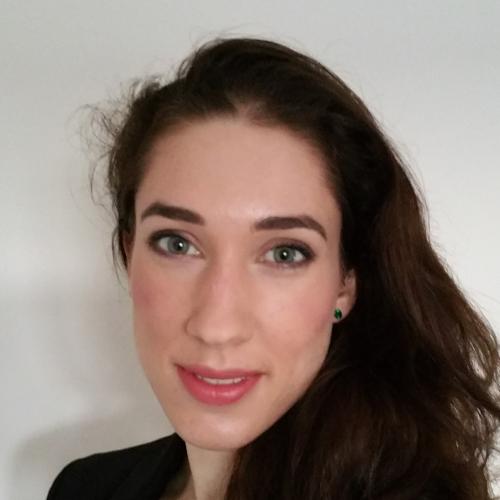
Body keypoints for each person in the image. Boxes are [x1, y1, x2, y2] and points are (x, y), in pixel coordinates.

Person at [47, 37, 500, 500]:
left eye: (285, 254)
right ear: (130, 253)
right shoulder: (83, 488)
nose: (217, 327)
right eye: (177, 244)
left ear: (345, 283)